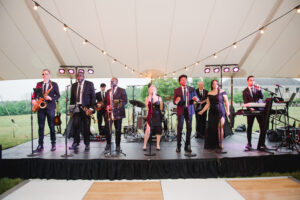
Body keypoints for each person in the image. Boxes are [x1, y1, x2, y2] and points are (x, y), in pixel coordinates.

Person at [32, 69, 60, 152]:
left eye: (46, 74)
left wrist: (51, 98)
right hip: (41, 108)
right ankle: (40, 145)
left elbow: (58, 95)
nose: (44, 75)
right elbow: (34, 95)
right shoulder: (38, 84)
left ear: (49, 75)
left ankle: (53, 144)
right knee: (41, 127)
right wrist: (33, 100)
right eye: (43, 74)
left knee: (51, 127)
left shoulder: (54, 84)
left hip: (50, 108)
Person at [199, 80, 230, 153]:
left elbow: (226, 102)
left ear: (218, 85)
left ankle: (220, 143)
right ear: (212, 85)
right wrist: (202, 111)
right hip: (212, 113)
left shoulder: (222, 91)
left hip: (221, 111)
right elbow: (208, 104)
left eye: (216, 84)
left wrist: (228, 111)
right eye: (213, 84)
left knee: (220, 127)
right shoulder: (209, 93)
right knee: (212, 128)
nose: (215, 85)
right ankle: (213, 144)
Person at [69, 71, 96, 152]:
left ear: (83, 76)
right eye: (77, 76)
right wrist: (71, 109)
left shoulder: (89, 84)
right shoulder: (74, 85)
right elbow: (72, 99)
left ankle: (87, 144)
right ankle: (76, 142)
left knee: (86, 127)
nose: (79, 77)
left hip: (86, 108)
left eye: (80, 75)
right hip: (76, 108)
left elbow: (93, 97)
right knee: (75, 124)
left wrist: (91, 108)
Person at [173, 74, 198, 153]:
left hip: (189, 110)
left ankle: (188, 145)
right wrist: (177, 100)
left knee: (189, 128)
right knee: (179, 128)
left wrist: (195, 99)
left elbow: (197, 98)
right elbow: (174, 101)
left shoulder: (192, 89)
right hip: (181, 111)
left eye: (186, 79)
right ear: (180, 82)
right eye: (183, 80)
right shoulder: (177, 90)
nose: (185, 81)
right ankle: (178, 145)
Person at [243, 75, 267, 151]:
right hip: (251, 111)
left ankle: (262, 143)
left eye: (253, 80)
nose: (252, 81)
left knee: (262, 127)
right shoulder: (245, 91)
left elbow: (262, 97)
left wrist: (259, 89)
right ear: (247, 81)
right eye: (250, 80)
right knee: (249, 127)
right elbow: (246, 102)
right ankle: (249, 143)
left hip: (259, 110)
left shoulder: (257, 89)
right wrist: (250, 108)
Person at [104, 77, 128, 153]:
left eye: (113, 81)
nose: (112, 83)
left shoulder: (122, 90)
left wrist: (115, 105)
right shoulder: (108, 91)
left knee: (117, 130)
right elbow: (105, 102)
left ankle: (118, 145)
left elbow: (125, 101)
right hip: (108, 113)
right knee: (107, 129)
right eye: (111, 82)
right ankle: (108, 144)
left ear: (117, 82)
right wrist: (107, 106)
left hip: (118, 113)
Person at [142, 84, 163, 151]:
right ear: (149, 90)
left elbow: (161, 108)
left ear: (156, 90)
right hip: (150, 115)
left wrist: (154, 96)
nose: (152, 90)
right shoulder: (147, 98)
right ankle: (145, 145)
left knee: (158, 130)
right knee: (148, 130)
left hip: (157, 115)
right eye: (151, 89)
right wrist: (151, 98)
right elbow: (148, 108)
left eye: (153, 89)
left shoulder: (159, 98)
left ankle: (158, 145)